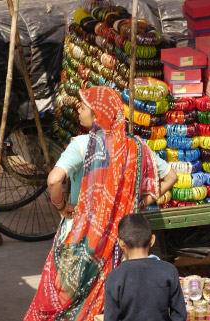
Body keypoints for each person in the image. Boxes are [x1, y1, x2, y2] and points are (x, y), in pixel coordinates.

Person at [24, 86, 178, 320]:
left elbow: (54, 180)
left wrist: (62, 208)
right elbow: (171, 177)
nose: (79, 109)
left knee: (64, 302)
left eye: (84, 106)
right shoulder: (136, 147)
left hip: (81, 238)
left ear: (98, 115)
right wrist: (139, 203)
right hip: (119, 239)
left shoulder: (80, 145)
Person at [104, 213, 186, 321]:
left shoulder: (114, 277)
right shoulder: (169, 271)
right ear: (152, 240)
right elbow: (180, 315)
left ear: (121, 242)